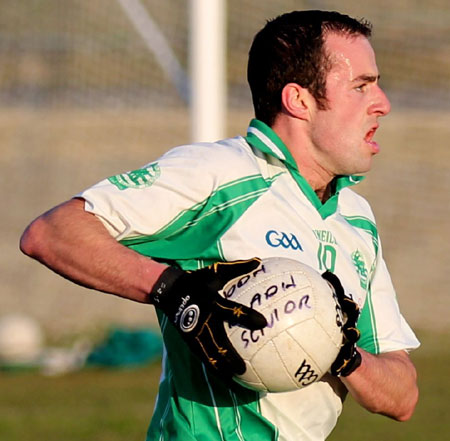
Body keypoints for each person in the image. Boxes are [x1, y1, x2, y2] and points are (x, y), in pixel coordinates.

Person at [20, 9, 419, 441]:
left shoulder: (356, 220)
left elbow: (402, 396)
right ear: (299, 100)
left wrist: (340, 352)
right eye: (361, 86)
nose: (383, 103)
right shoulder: (220, 175)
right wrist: (179, 295)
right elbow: (54, 232)